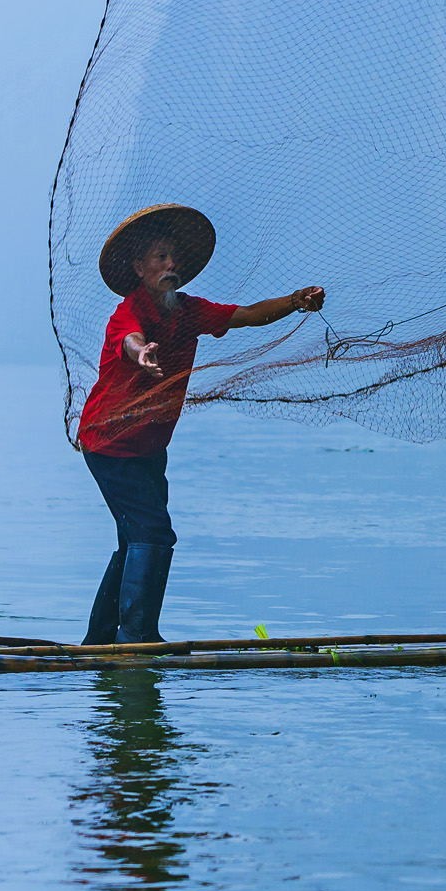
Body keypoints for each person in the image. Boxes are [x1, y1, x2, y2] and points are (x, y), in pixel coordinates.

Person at [78, 203, 324, 644]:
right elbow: (130, 341)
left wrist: (293, 302)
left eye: (174, 258)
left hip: (148, 447)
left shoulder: (189, 311)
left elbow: (247, 315)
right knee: (154, 533)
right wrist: (143, 353)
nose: (170, 265)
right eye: (159, 258)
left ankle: (99, 640)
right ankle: (137, 637)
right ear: (139, 268)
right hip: (109, 442)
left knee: (134, 537)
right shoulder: (128, 314)